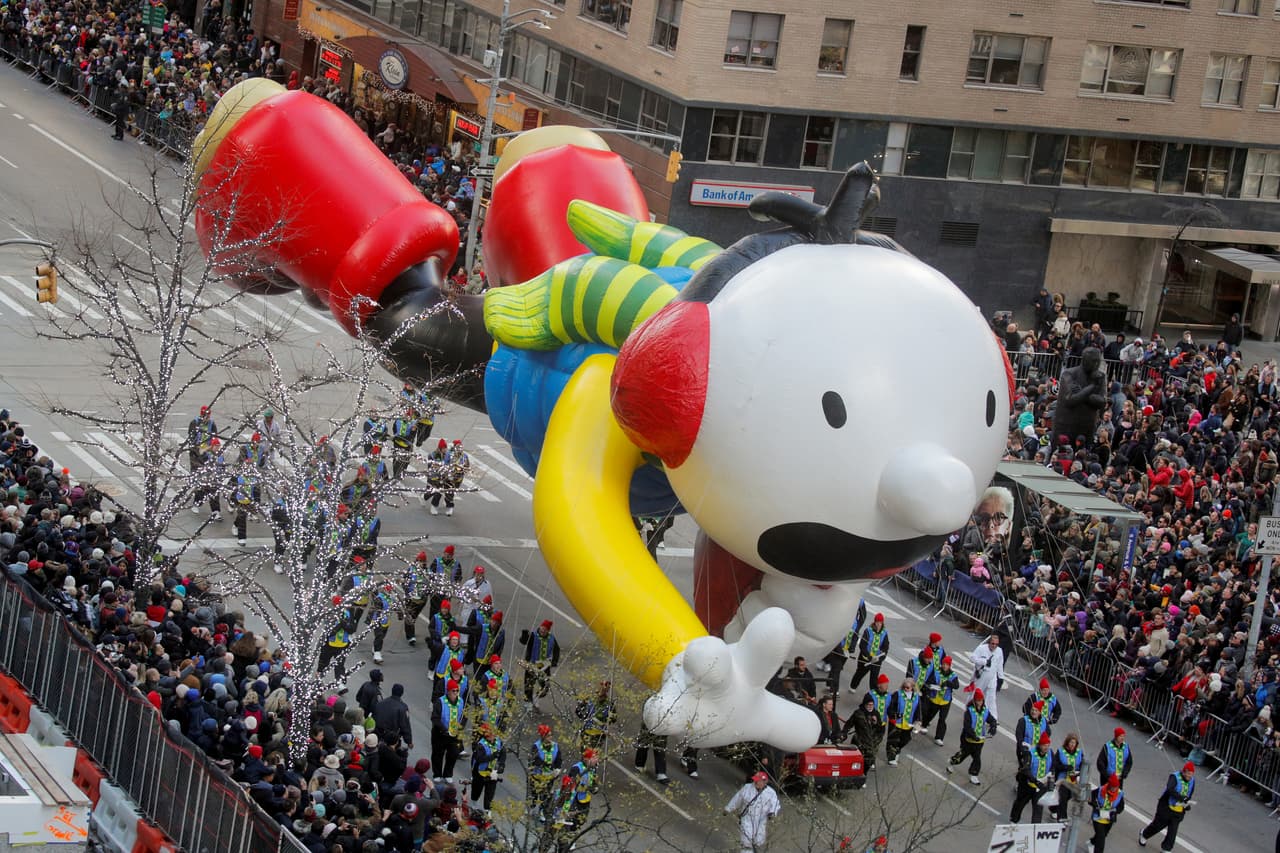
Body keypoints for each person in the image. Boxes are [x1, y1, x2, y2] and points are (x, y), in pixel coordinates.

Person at [1053, 346, 1108, 446]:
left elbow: (1102, 401)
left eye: (1097, 361)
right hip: (1066, 425)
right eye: (1093, 361)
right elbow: (1070, 400)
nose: (1096, 364)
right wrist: (1092, 386)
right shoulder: (1069, 374)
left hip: (1087, 427)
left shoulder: (1100, 376)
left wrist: (1082, 394)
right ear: (1085, 360)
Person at [1139, 762, 1195, 850]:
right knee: (1158, 825)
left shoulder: (1192, 780)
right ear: (1184, 772)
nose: (1189, 777)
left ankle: (1166, 848)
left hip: (1179, 810)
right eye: (1188, 774)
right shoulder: (1174, 777)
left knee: (1173, 831)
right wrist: (1181, 798)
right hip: (1166, 807)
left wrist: (1187, 804)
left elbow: (1190, 793)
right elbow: (1170, 790)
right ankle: (1145, 834)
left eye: (1191, 775)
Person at [724, 771, 781, 853]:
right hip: (747, 817)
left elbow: (775, 804)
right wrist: (728, 808)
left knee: (759, 840)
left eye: (758, 780)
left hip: (761, 819)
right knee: (746, 840)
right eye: (755, 780)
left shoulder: (771, 793)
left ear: (765, 782)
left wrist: (772, 813)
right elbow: (737, 798)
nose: (756, 782)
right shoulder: (747, 788)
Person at [947, 688, 996, 785]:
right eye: (978, 700)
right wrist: (973, 736)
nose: (980, 702)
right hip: (968, 739)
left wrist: (993, 726)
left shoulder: (985, 711)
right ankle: (952, 761)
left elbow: (991, 719)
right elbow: (967, 726)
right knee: (962, 755)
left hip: (979, 741)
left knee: (977, 758)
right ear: (974, 700)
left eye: (981, 700)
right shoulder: (969, 711)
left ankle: (974, 774)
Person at [1010, 732, 1054, 824]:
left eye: (1048, 745)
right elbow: (1026, 769)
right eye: (1044, 745)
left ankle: (1035, 826)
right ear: (1039, 745)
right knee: (1020, 803)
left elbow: (1053, 765)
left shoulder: (1050, 753)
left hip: (1041, 786)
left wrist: (1051, 775)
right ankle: (1014, 820)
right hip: (1027, 785)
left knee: (1038, 808)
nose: (1046, 747)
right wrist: (1035, 781)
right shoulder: (1030, 754)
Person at [431, 679, 466, 783]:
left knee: (453, 754)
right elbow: (435, 718)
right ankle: (437, 774)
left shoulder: (461, 701)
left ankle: (448, 774)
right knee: (438, 754)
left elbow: (464, 716)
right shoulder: (440, 701)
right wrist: (444, 730)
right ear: (448, 691)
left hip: (455, 734)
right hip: (440, 734)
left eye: (457, 691)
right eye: (453, 691)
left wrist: (461, 726)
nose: (456, 693)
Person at [528, 724, 562, 822]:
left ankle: (542, 811)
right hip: (537, 774)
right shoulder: (536, 746)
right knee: (534, 792)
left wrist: (557, 768)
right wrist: (546, 765)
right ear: (543, 736)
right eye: (548, 735)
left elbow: (559, 759)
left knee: (546, 794)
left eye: (551, 735)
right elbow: (534, 760)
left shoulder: (555, 746)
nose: (550, 737)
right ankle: (531, 807)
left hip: (549, 776)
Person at [521, 619, 560, 706]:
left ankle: (536, 697)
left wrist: (554, 661)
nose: (543, 630)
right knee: (529, 685)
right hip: (532, 664)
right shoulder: (533, 636)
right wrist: (524, 634)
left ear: (548, 631)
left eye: (545, 630)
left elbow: (557, 649)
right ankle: (528, 702)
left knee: (545, 686)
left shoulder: (552, 638)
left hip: (544, 665)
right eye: (542, 628)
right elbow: (523, 642)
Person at [849, 612, 890, 693]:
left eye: (880, 623)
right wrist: (869, 657)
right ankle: (853, 686)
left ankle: (874, 693)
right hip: (865, 658)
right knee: (860, 673)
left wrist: (880, 658)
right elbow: (862, 645)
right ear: (875, 622)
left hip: (876, 660)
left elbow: (886, 647)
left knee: (874, 678)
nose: (879, 624)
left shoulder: (884, 633)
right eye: (877, 622)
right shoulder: (868, 631)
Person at [469, 723, 505, 810]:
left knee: (490, 794)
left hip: (492, 773)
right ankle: (474, 803)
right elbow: (480, 759)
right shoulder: (480, 745)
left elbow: (503, 756)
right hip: (479, 772)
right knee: (476, 790)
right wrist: (493, 755)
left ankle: (487, 810)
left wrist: (499, 769)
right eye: (491, 733)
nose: (493, 735)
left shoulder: (499, 743)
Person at [844, 693, 884, 773]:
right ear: (865, 704)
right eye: (869, 705)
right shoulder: (858, 713)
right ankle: (854, 774)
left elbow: (881, 729)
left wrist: (876, 723)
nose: (870, 707)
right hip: (860, 740)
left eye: (872, 705)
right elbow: (849, 723)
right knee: (856, 759)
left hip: (872, 743)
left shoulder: (876, 714)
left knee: (868, 761)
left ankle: (863, 774)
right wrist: (844, 732)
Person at [885, 678, 921, 766]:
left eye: (908, 687)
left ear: (912, 687)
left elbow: (918, 710)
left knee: (905, 740)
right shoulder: (897, 694)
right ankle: (891, 758)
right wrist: (895, 715)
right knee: (893, 741)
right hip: (896, 723)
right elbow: (890, 708)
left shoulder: (916, 697)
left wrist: (919, 721)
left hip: (908, 724)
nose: (905, 688)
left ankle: (897, 750)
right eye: (904, 687)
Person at [971, 634, 1005, 721]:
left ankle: (993, 717)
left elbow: (1000, 664)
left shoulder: (999, 651)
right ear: (989, 642)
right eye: (992, 643)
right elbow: (972, 658)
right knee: (977, 694)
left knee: (991, 697)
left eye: (996, 644)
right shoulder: (981, 648)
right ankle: (971, 711)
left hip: (992, 677)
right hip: (981, 675)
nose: (994, 646)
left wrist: (1001, 677)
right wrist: (983, 661)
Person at [1052, 732, 1086, 821]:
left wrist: (1079, 772)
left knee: (1068, 797)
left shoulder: (1079, 752)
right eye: (1071, 742)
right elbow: (1056, 764)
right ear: (1067, 742)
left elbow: (1083, 764)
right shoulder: (1061, 751)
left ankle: (1054, 808)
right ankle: (1062, 818)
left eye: (1074, 743)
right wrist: (1065, 767)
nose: (1072, 745)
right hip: (1063, 779)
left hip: (1074, 779)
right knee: (1063, 799)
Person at [1090, 773, 1126, 853]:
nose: (1114, 789)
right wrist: (1095, 805)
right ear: (1109, 785)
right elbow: (1091, 798)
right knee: (1101, 839)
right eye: (1113, 787)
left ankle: (1092, 842)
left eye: (1116, 787)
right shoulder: (1100, 790)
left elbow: (1121, 807)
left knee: (1103, 835)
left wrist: (1115, 811)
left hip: (1109, 819)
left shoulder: (1120, 794)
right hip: (1098, 817)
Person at [402, 551, 430, 646]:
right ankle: (410, 636)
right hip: (411, 598)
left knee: (413, 616)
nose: (421, 563)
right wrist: (407, 592)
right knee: (409, 616)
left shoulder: (428, 573)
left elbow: (430, 586)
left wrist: (425, 593)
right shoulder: (410, 570)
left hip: (421, 600)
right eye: (419, 561)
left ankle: (410, 630)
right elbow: (404, 581)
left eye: (423, 561)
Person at [372, 683, 413, 749]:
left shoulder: (381, 702)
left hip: (377, 735)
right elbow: (405, 725)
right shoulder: (403, 707)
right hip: (391, 739)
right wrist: (409, 741)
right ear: (402, 693)